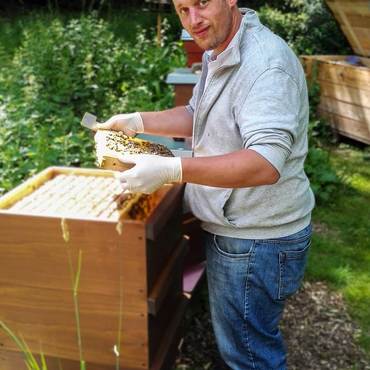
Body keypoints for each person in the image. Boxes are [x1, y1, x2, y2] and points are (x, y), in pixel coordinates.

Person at [97, 0, 315, 368]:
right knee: (248, 344)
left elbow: (264, 163)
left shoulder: (265, 65)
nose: (193, 20)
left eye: (201, 3)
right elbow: (197, 115)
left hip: (256, 240)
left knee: (250, 357)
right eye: (183, 9)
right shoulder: (222, 48)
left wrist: (173, 169)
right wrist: (138, 120)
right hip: (246, 232)